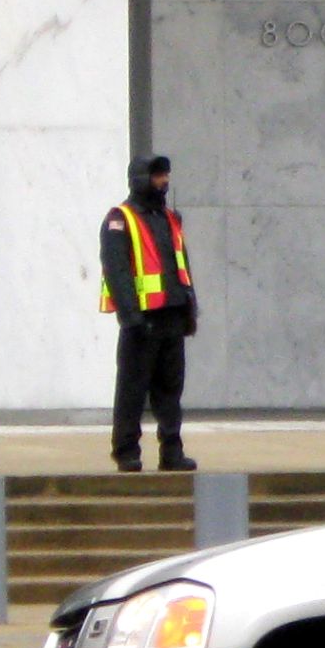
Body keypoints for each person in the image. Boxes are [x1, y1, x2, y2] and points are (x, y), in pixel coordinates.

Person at [100, 154, 198, 472]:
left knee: (170, 389)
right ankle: (126, 450)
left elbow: (181, 265)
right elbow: (117, 273)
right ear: (141, 178)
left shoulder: (169, 218)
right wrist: (131, 317)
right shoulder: (119, 219)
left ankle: (172, 450)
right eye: (158, 175)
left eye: (166, 174)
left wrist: (189, 308)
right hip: (142, 320)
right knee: (132, 388)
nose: (164, 180)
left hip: (171, 316)